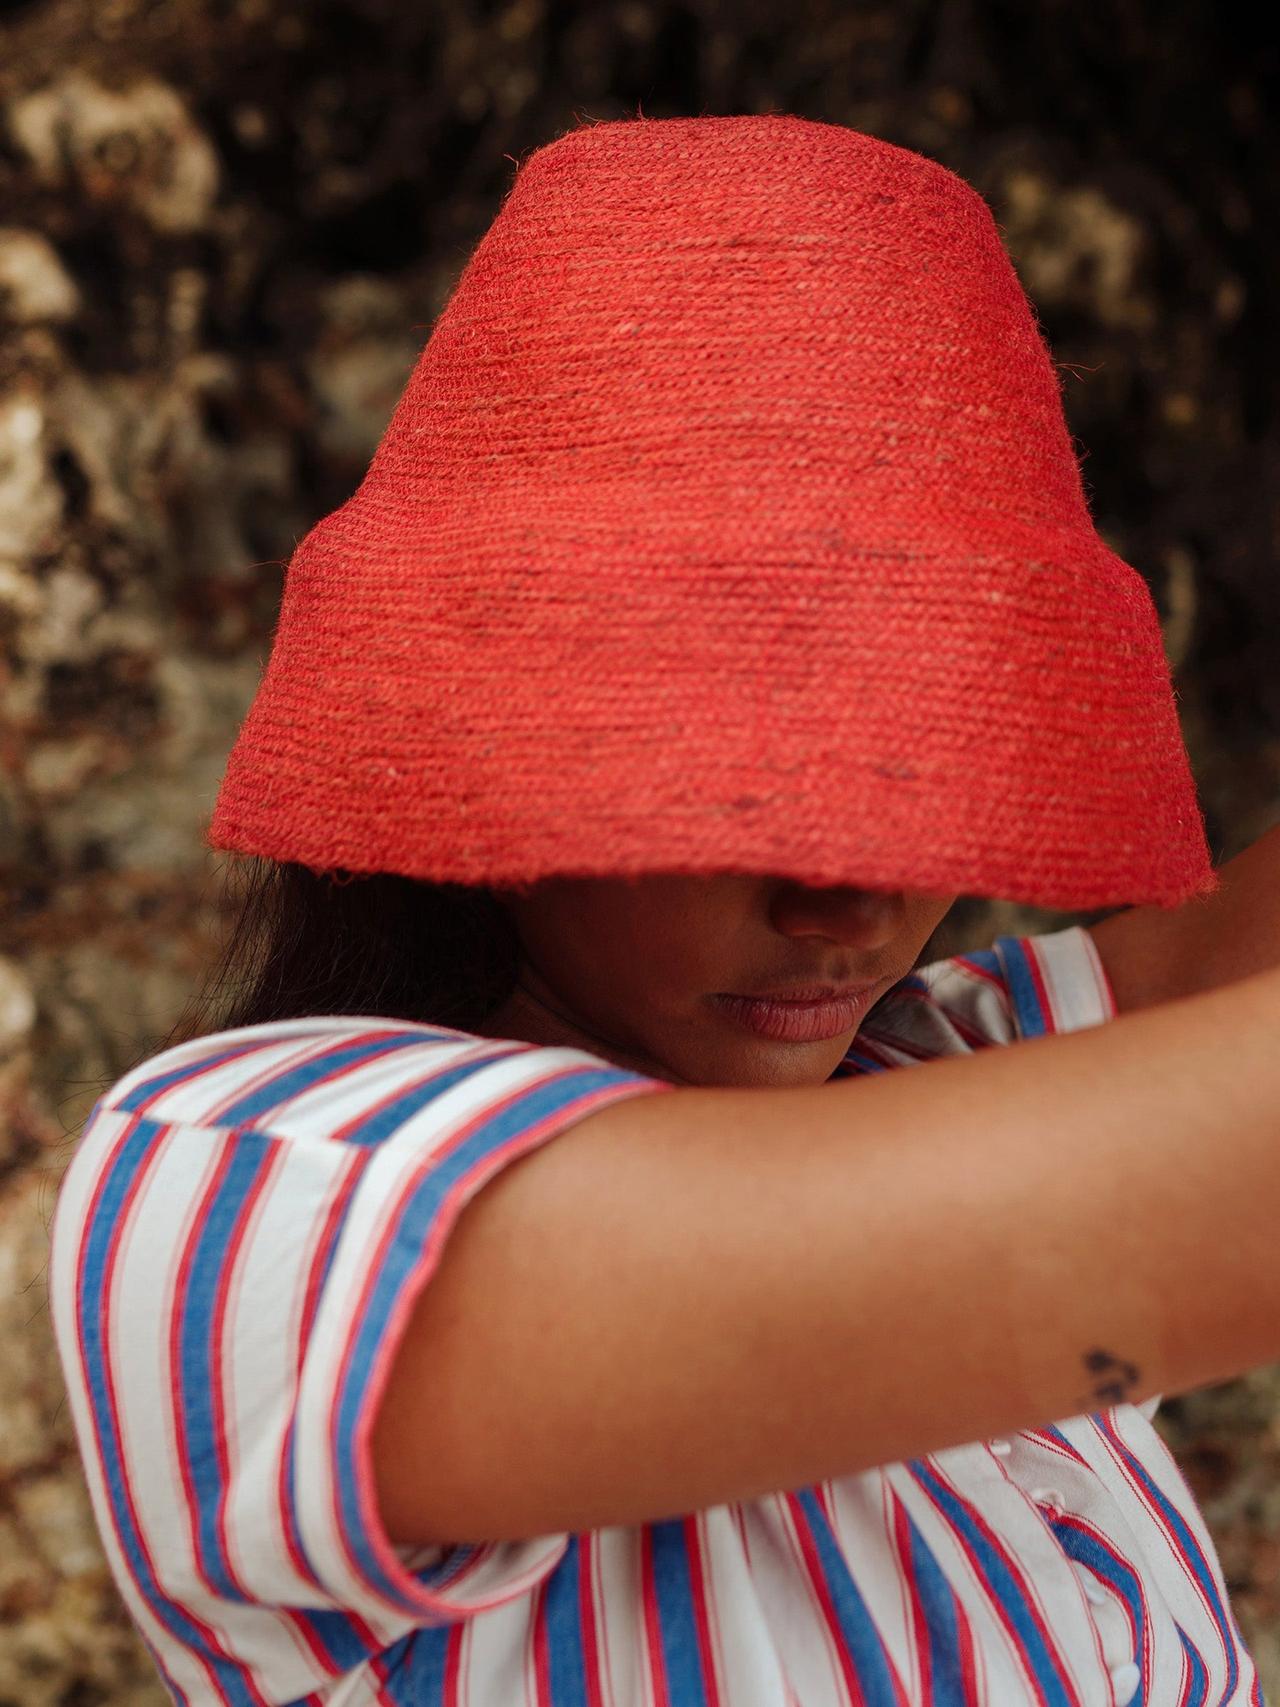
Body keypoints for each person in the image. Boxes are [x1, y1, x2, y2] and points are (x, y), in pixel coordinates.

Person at [45, 112, 1280, 1706]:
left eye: (925, 763)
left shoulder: (918, 1076)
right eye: (741, 774)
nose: (854, 897)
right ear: (498, 735)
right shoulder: (254, 1194)